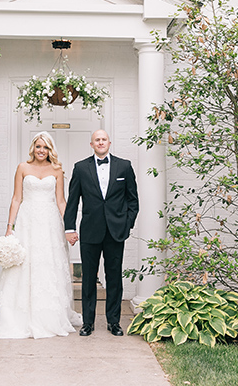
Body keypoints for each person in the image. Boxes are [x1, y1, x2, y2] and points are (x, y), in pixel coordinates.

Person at [0, 131, 82, 338]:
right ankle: (19, 316)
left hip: (50, 223)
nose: (41, 151)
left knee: (48, 265)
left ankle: (49, 317)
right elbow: (16, 199)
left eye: (46, 147)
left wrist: (69, 228)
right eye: (38, 146)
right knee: (24, 265)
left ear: (51, 150)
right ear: (33, 148)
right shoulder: (23, 168)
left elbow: (61, 201)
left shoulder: (57, 170)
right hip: (27, 221)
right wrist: (9, 227)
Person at [64, 129, 138, 336]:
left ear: (109, 142)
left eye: (103, 139)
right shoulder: (80, 168)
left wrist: (127, 223)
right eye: (97, 140)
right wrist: (69, 228)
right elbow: (72, 201)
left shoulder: (124, 166)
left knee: (114, 277)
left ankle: (114, 322)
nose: (100, 142)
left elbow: (133, 200)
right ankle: (88, 322)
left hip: (116, 231)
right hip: (90, 231)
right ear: (91, 144)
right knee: (88, 278)